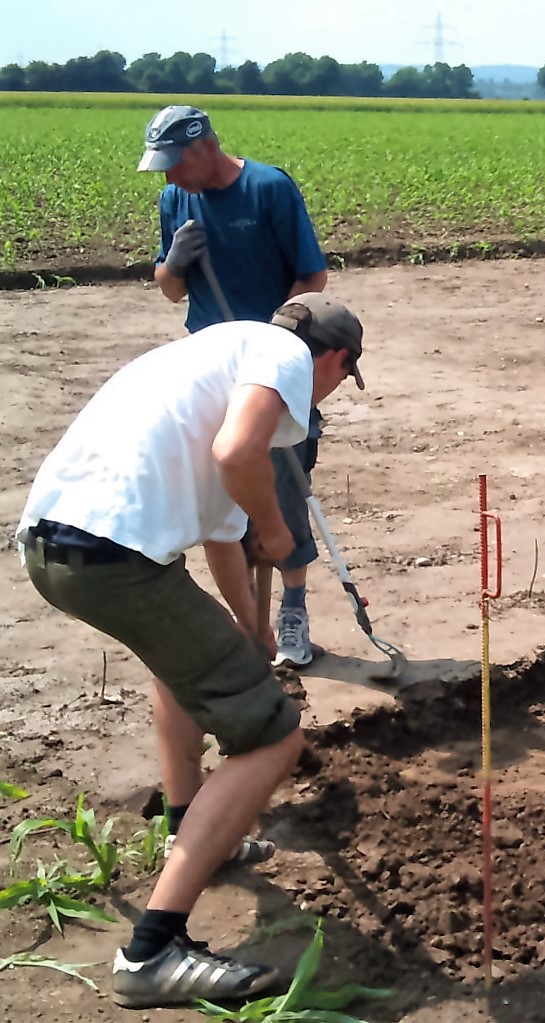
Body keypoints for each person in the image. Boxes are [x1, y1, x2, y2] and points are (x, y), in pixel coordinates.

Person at [17, 294, 366, 1009]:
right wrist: (274, 530)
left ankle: (192, 823)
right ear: (334, 359)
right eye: (339, 377)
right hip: (113, 555)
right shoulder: (285, 358)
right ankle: (153, 951)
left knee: (180, 663)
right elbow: (237, 458)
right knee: (273, 733)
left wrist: (251, 627)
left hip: (54, 543)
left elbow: (216, 533)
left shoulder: (217, 355)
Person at [139, 104, 330, 669]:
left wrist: (273, 339)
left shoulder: (268, 188)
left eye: (175, 164)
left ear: (203, 148)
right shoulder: (176, 199)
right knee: (224, 500)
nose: (169, 178)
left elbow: (312, 276)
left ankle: (291, 607)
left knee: (282, 491)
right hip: (207, 370)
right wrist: (173, 264)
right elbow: (170, 290)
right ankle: (248, 630)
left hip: (269, 370)